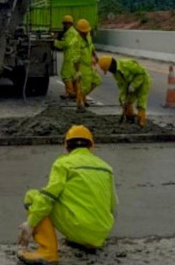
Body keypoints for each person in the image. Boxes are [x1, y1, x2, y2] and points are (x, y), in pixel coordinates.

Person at [17, 125, 117, 265]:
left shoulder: (63, 163)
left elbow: (48, 197)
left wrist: (31, 223)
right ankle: (85, 242)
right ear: (91, 146)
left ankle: (47, 252)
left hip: (78, 227)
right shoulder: (106, 167)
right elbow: (113, 205)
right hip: (100, 233)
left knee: (34, 196)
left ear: (66, 146)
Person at [98, 55, 150, 127]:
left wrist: (133, 84)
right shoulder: (116, 74)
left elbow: (141, 73)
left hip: (143, 82)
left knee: (141, 103)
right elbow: (122, 86)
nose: (109, 71)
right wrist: (123, 99)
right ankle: (130, 119)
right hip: (130, 86)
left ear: (111, 65)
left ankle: (141, 123)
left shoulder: (127, 64)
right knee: (127, 102)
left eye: (108, 69)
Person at [74, 19, 101, 110]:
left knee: (97, 80)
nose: (85, 33)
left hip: (89, 64)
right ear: (78, 31)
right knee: (84, 87)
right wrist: (77, 71)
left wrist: (95, 55)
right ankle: (79, 104)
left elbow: (91, 46)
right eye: (83, 32)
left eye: (86, 31)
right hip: (82, 66)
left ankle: (82, 98)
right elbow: (76, 59)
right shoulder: (76, 41)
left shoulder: (88, 36)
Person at [53, 15, 80, 100]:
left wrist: (55, 41)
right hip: (75, 57)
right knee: (73, 76)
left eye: (65, 24)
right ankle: (76, 93)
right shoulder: (72, 32)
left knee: (65, 74)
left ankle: (70, 92)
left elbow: (66, 44)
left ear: (68, 24)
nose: (64, 26)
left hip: (70, 57)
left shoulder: (71, 33)